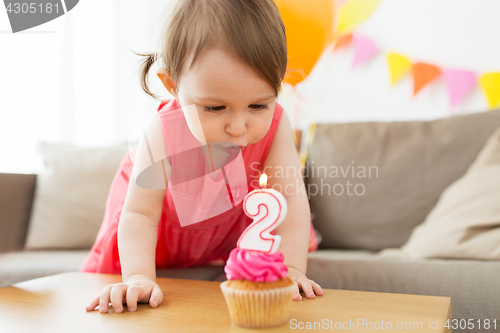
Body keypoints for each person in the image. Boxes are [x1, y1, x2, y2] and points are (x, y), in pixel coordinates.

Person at [82, 0, 323, 314]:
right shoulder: (160, 133)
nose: (238, 127)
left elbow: (288, 202)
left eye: (258, 105)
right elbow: (140, 215)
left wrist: (291, 269)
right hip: (160, 228)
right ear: (173, 85)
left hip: (222, 223)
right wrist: (138, 276)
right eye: (215, 108)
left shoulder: (277, 125)